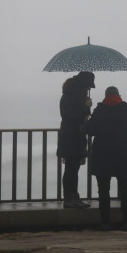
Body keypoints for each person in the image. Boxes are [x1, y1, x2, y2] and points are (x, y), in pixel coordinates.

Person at [84, 86, 127, 231]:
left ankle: (105, 222)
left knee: (103, 190)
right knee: (124, 187)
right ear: (118, 95)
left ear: (105, 96)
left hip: (103, 154)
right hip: (124, 153)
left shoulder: (100, 110)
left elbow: (90, 130)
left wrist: (87, 114)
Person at [57, 71, 95, 209]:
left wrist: (86, 108)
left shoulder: (72, 96)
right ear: (82, 85)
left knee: (73, 169)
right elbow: (73, 118)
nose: (89, 89)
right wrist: (86, 106)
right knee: (70, 169)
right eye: (88, 87)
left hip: (74, 137)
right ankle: (69, 199)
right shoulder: (69, 97)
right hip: (70, 137)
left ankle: (74, 197)